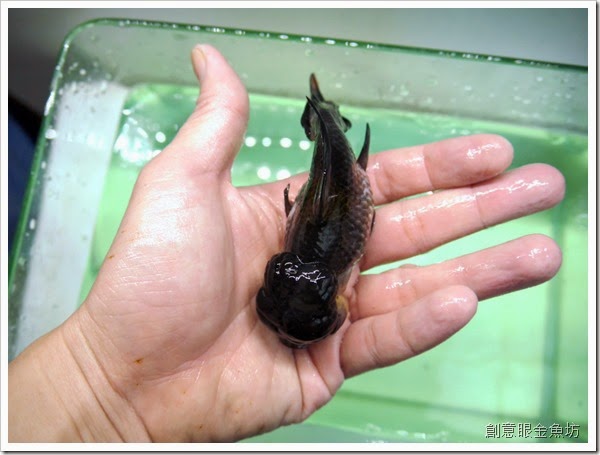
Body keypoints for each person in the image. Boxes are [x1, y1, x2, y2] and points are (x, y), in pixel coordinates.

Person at [8, 44, 565, 443]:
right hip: (328, 205)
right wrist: (102, 394)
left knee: (333, 153)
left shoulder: (328, 258)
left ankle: (323, 115)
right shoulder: (323, 258)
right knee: (333, 153)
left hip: (329, 203)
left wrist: (102, 396)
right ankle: (323, 116)